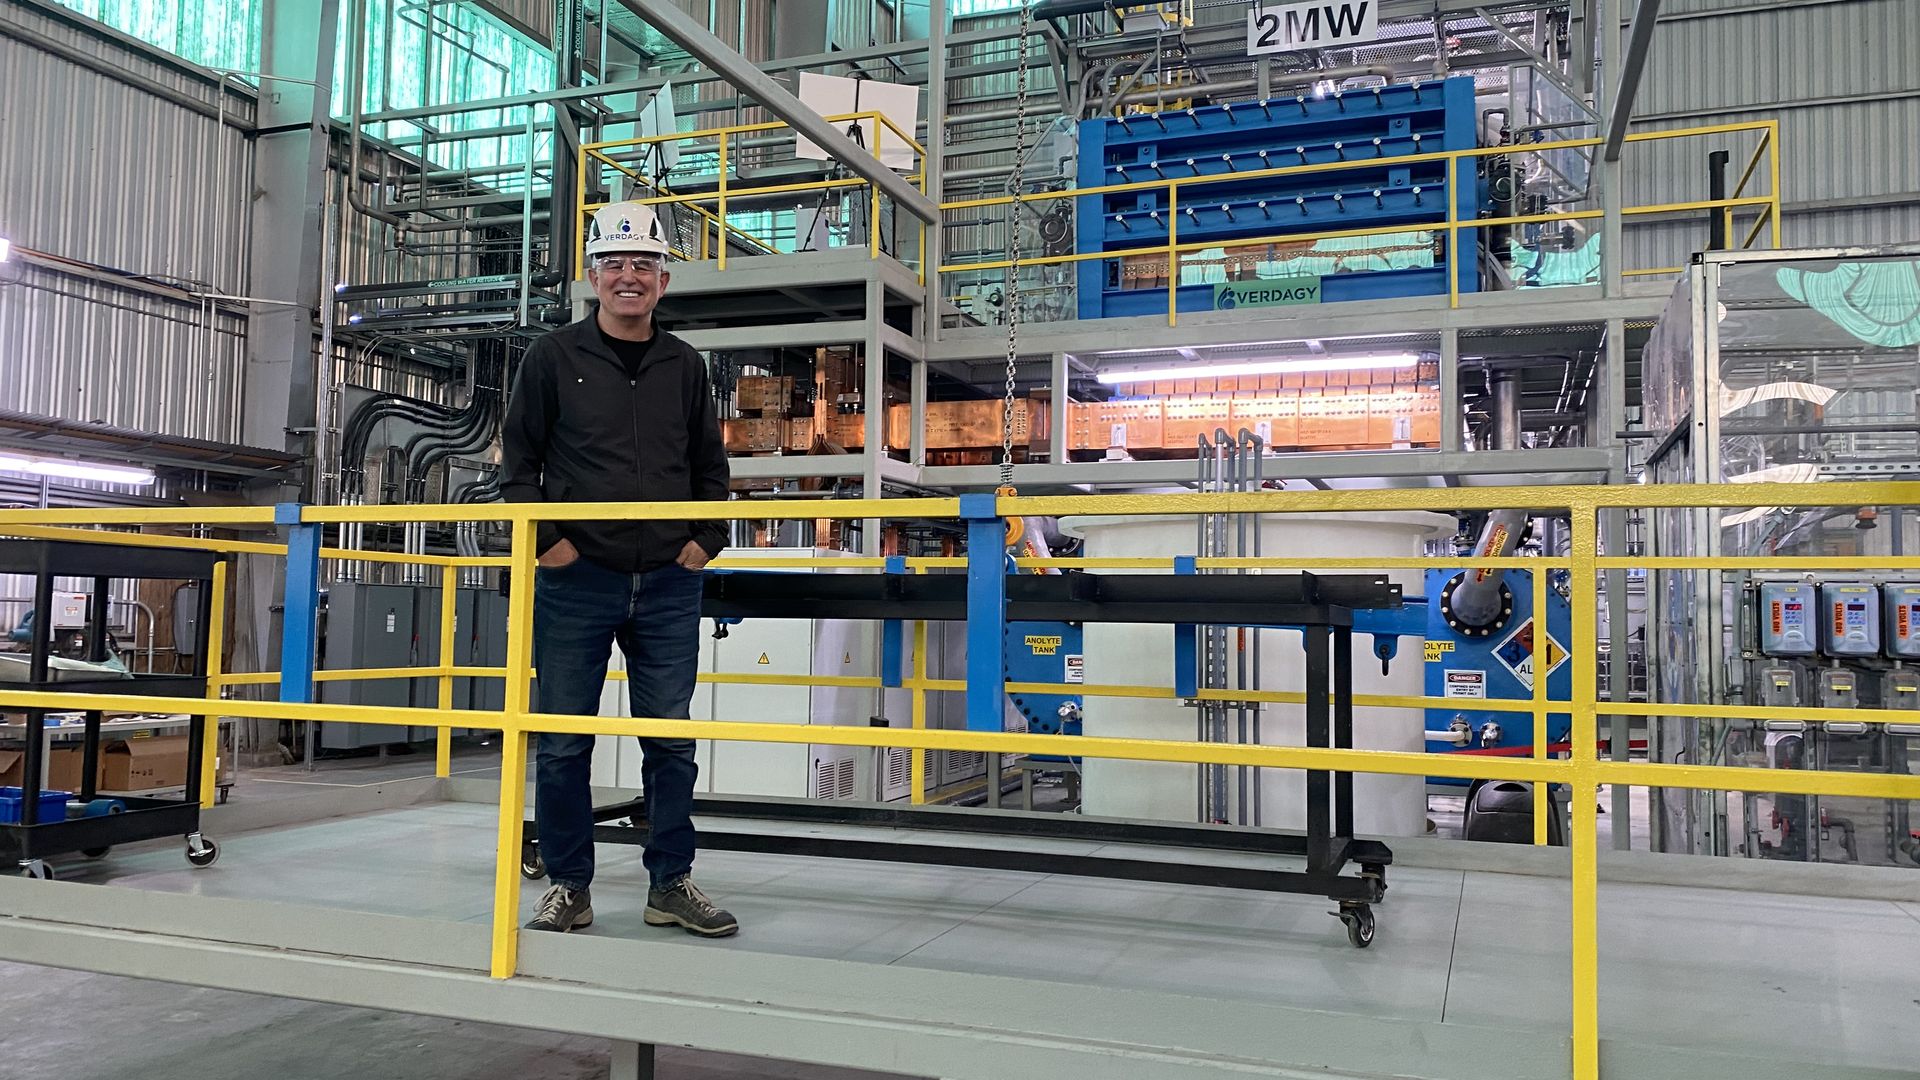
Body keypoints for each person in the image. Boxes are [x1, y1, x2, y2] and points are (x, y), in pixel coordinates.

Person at [501, 201, 737, 937]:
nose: (628, 277)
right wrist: (551, 545)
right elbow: (517, 467)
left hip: (667, 581)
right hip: (578, 580)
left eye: (642, 265)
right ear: (594, 277)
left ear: (662, 281)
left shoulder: (683, 366)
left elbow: (710, 467)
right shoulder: (553, 359)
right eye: (615, 265)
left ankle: (670, 882)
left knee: (670, 738)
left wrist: (706, 538)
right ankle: (570, 885)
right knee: (566, 740)